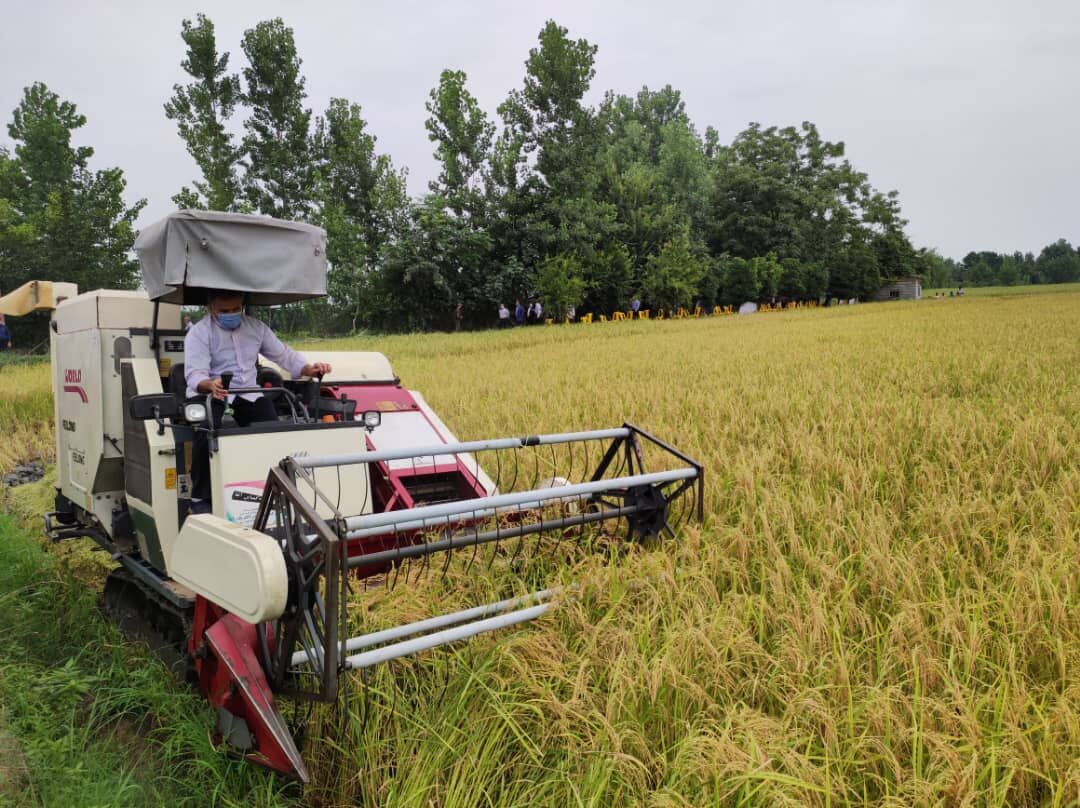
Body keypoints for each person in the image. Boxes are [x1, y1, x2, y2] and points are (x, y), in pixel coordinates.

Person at [184, 289, 331, 513]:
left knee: (271, 432)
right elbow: (195, 374)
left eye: (235, 309)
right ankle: (200, 498)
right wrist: (210, 384)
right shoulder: (199, 333)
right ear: (210, 308)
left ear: (242, 304)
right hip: (211, 393)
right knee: (207, 432)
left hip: (249, 392)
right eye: (224, 311)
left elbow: (284, 356)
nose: (231, 314)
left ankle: (271, 488)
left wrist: (309, 368)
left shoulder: (256, 327)